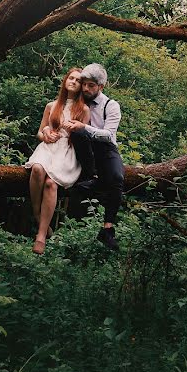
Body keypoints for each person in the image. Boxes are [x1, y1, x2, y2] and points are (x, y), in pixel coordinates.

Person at [24, 68, 90, 255]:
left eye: (78, 80)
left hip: (67, 152)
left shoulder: (84, 110)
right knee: (37, 169)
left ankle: (41, 235)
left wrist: (77, 129)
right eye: (71, 78)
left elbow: (85, 139)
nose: (74, 82)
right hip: (48, 148)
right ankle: (37, 215)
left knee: (51, 184)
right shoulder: (51, 105)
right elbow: (39, 131)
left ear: (81, 86)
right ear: (65, 81)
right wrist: (45, 133)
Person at [62, 63, 123, 250]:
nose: (86, 89)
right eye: (85, 84)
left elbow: (108, 135)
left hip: (105, 149)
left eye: (91, 86)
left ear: (101, 87)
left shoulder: (110, 105)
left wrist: (85, 127)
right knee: (79, 135)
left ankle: (108, 229)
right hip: (82, 150)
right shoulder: (77, 101)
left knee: (116, 178)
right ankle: (93, 178)